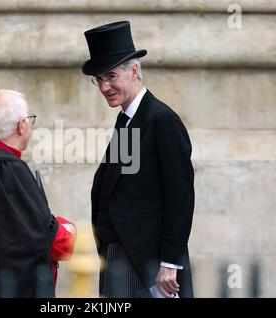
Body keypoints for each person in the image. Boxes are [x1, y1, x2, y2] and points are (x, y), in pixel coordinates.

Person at [82, 21, 195, 298]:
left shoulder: (161, 119)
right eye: (99, 79)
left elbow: (180, 196)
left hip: (150, 265)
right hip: (120, 257)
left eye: (110, 76)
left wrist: (170, 263)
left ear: (134, 71)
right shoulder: (127, 118)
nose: (104, 86)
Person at [0, 89, 75, 298]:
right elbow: (38, 238)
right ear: (21, 125)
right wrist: (70, 232)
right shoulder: (6, 169)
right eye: (31, 120)